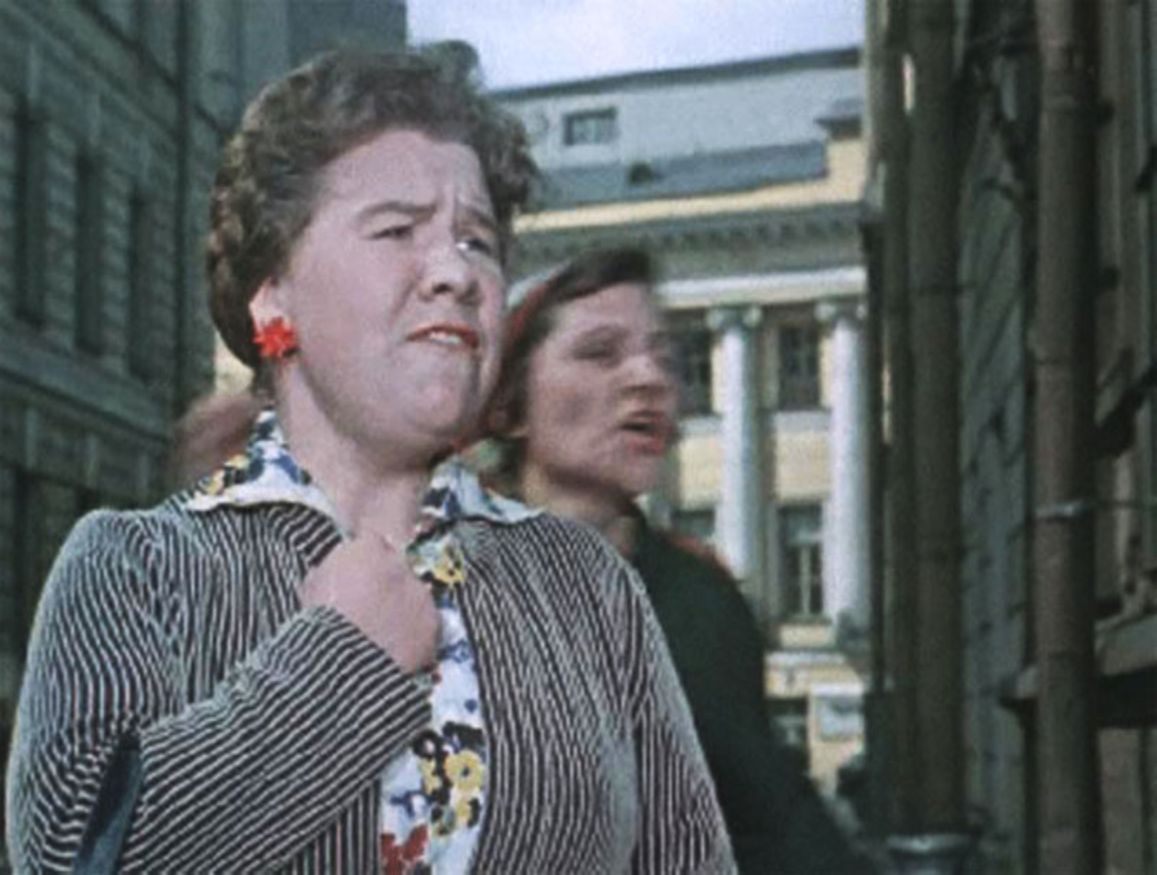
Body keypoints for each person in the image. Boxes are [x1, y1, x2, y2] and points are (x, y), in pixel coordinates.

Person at [5, 52, 735, 874]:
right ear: (272, 289)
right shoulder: (133, 567)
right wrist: (342, 661)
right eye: (396, 230)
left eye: (477, 241)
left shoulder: (586, 584)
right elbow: (72, 856)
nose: (457, 273)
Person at [484, 247, 875, 874]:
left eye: (662, 357)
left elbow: (776, 826)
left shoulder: (703, 603)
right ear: (510, 407)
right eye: (600, 353)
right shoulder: (438, 590)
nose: (648, 378)